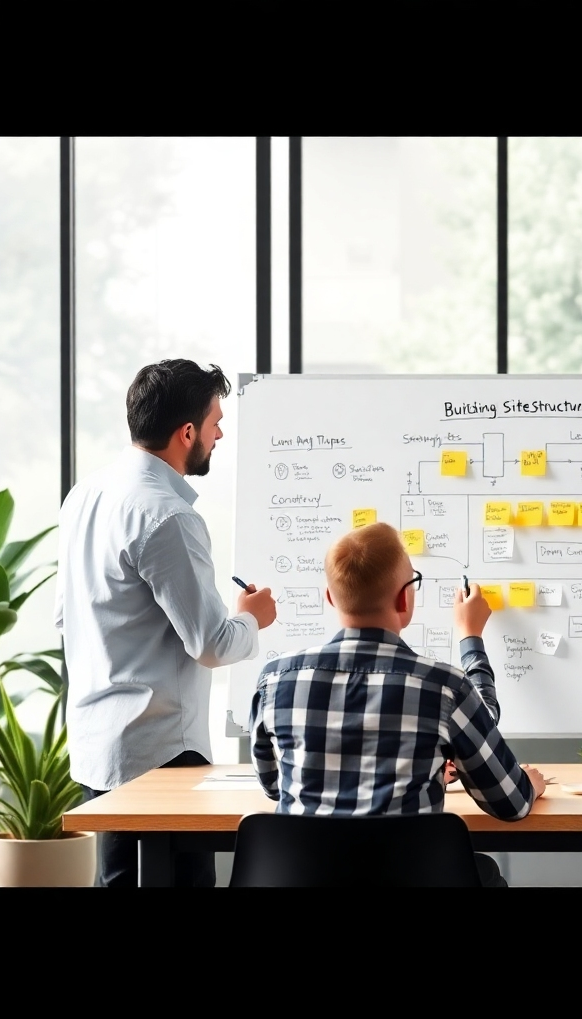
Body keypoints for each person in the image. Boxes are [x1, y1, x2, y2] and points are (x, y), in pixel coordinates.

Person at [55, 359, 277, 887]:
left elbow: (65, 617)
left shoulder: (84, 496)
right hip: (159, 752)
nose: (220, 434)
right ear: (187, 432)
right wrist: (252, 619)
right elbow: (212, 644)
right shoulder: (168, 516)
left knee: (120, 880)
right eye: (215, 422)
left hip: (99, 742)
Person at [249, 522, 546, 886]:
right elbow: (511, 804)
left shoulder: (275, 680)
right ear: (405, 598)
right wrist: (531, 785)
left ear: (330, 598)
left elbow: (274, 785)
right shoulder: (444, 687)